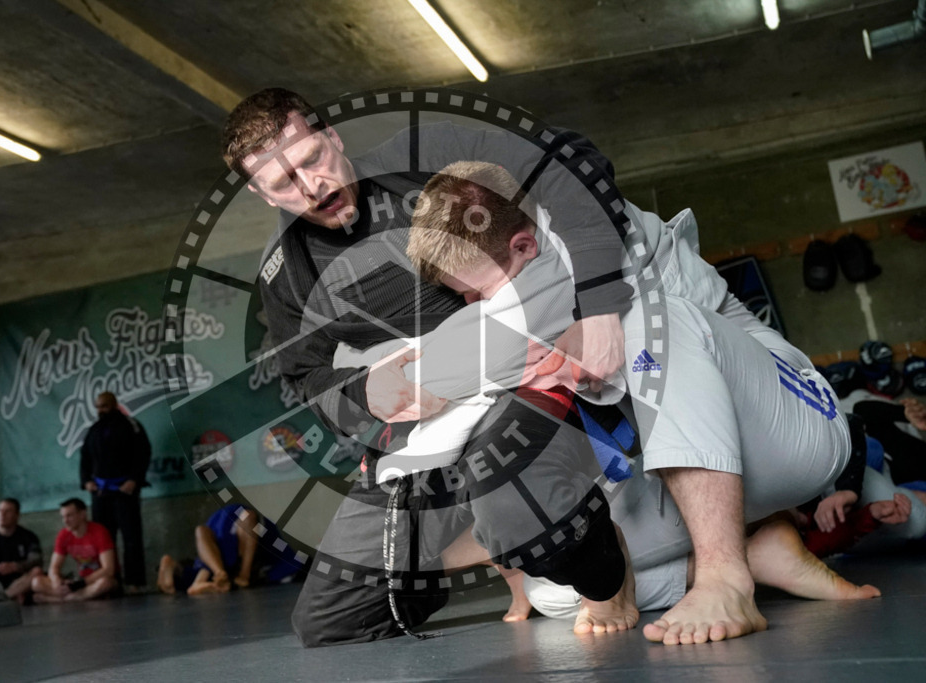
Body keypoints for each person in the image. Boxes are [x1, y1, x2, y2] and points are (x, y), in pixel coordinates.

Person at [223, 88, 633, 647]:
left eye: (311, 160)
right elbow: (304, 378)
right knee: (329, 621)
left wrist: (599, 305)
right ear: (259, 193)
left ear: (332, 136)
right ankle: (483, 545)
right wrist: (367, 392)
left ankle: (595, 549)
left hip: (519, 381)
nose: (310, 186)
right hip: (419, 431)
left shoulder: (425, 153)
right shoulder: (284, 276)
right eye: (282, 183)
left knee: (518, 507)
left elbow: (570, 159)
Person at [403, 160, 853, 642]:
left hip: (793, 429)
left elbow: (565, 154)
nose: (477, 307)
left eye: (476, 292)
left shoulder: (597, 236)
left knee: (645, 320)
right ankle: (757, 555)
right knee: (560, 582)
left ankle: (725, 577)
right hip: (698, 480)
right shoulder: (525, 291)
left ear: (524, 246)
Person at [80, 391, 151, 591]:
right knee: (104, 540)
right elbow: (85, 458)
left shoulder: (131, 425)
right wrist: (86, 481)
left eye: (104, 406)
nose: (100, 410)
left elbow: (143, 453)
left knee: (131, 537)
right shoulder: (93, 430)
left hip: (124, 490)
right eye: (98, 407)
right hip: (101, 493)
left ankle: (135, 583)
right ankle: (112, 583)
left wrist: (134, 479)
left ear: (114, 405)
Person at [157, 503, 302, 595]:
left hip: (223, 528)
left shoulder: (263, 538)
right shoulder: (243, 531)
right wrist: (243, 575)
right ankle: (228, 574)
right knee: (213, 563)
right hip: (230, 529)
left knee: (172, 586)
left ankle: (181, 569)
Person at [32, 498, 119, 602]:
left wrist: (81, 583)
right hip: (78, 583)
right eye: (63, 517)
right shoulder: (63, 535)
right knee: (36, 582)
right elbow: (54, 567)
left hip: (94, 580)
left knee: (106, 583)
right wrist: (57, 582)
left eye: (70, 516)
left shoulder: (99, 532)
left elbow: (108, 570)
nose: (65, 521)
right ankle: (76, 597)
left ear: (82, 514)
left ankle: (61, 599)